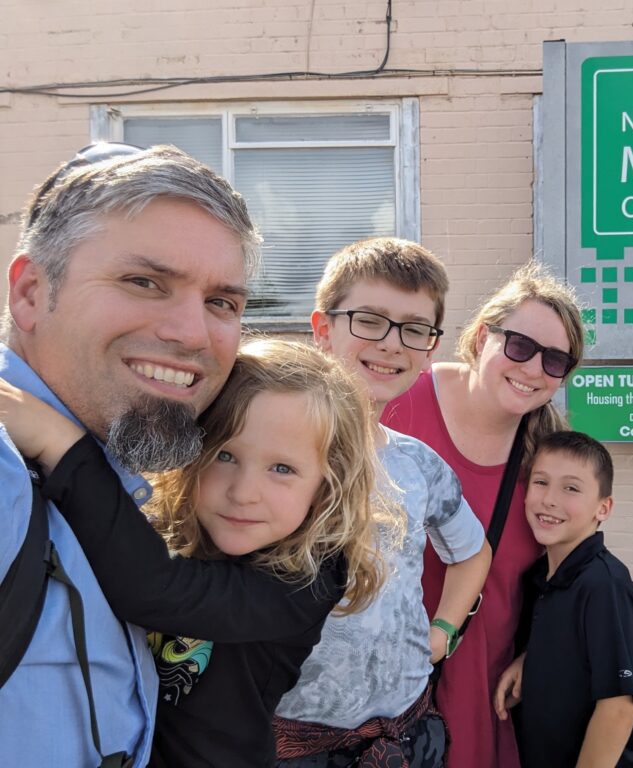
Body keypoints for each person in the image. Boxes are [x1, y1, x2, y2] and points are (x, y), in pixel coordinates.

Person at [0, 338, 389, 767]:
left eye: (282, 469)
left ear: (327, 485)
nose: (243, 493)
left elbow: (155, 590)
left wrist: (61, 444)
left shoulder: (309, 579)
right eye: (224, 455)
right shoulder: (171, 529)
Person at [0, 143, 260, 767]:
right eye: (144, 282)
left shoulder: (124, 464)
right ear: (31, 291)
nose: (193, 334)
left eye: (222, 302)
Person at [274, 236, 492, 767]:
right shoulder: (269, 454)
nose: (393, 343)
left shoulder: (419, 466)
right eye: (369, 319)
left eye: (415, 328)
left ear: (431, 348)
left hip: (406, 735)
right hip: (289, 741)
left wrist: (442, 632)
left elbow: (472, 552)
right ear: (324, 329)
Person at [382, 261, 585, 767]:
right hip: (375, 685)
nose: (534, 369)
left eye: (556, 360)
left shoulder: (548, 460)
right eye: (519, 347)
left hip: (484, 695)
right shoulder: (397, 401)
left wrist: (537, 653)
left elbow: (570, 575)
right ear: (479, 338)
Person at [493, 430, 633, 768]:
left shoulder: (602, 584)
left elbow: (618, 708)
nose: (550, 499)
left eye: (571, 488)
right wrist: (530, 659)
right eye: (541, 482)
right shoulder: (542, 577)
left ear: (603, 508)